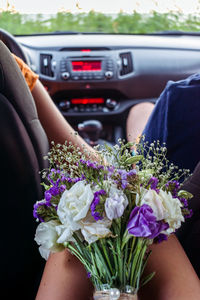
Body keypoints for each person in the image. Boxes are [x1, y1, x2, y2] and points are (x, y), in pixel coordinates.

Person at [13, 54, 200, 299]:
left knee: (94, 216)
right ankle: (136, 143)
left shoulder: (183, 99)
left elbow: (104, 177)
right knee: (142, 118)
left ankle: (136, 143)